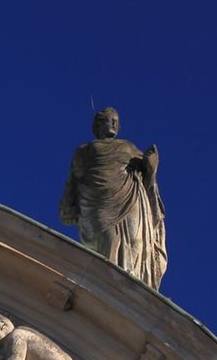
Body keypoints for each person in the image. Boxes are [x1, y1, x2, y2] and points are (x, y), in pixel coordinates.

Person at [59, 107, 167, 288]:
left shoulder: (129, 147)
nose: (114, 124)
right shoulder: (85, 151)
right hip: (97, 204)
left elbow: (147, 179)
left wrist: (151, 168)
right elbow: (74, 180)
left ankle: (132, 288)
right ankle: (109, 289)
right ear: (98, 125)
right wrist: (68, 205)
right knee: (108, 242)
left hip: (129, 199)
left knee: (135, 242)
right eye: (110, 120)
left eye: (116, 121)